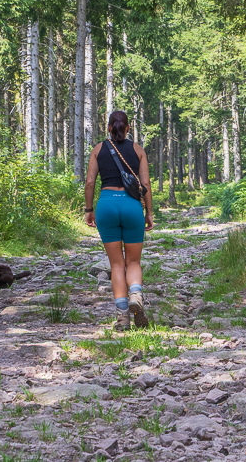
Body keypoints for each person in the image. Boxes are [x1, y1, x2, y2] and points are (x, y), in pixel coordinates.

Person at [84, 111, 155, 330]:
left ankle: (122, 317)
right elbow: (145, 184)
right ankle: (136, 295)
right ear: (128, 127)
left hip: (106, 205)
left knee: (116, 264)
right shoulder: (137, 150)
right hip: (131, 205)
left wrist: (89, 209)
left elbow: (89, 182)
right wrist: (149, 212)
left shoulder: (98, 150)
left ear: (108, 128)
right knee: (133, 262)